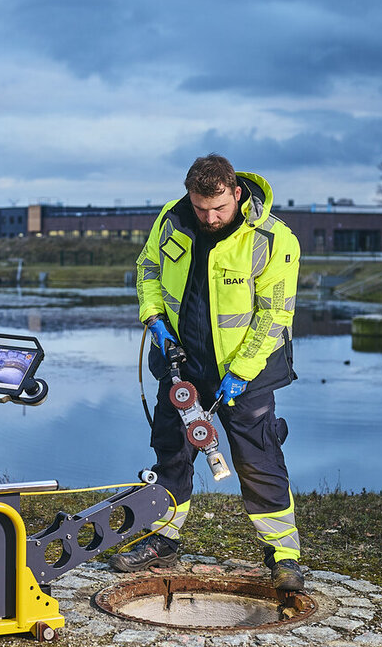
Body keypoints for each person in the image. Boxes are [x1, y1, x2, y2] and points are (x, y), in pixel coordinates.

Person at [112, 153, 304, 590]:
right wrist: (154, 319)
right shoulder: (171, 220)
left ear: (236, 193)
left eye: (219, 208)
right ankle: (162, 539)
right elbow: (147, 271)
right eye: (201, 208)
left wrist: (242, 370)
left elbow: (275, 316)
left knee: (259, 458)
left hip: (245, 371)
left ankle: (284, 556)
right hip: (181, 364)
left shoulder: (273, 240)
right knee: (172, 451)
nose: (210, 217)